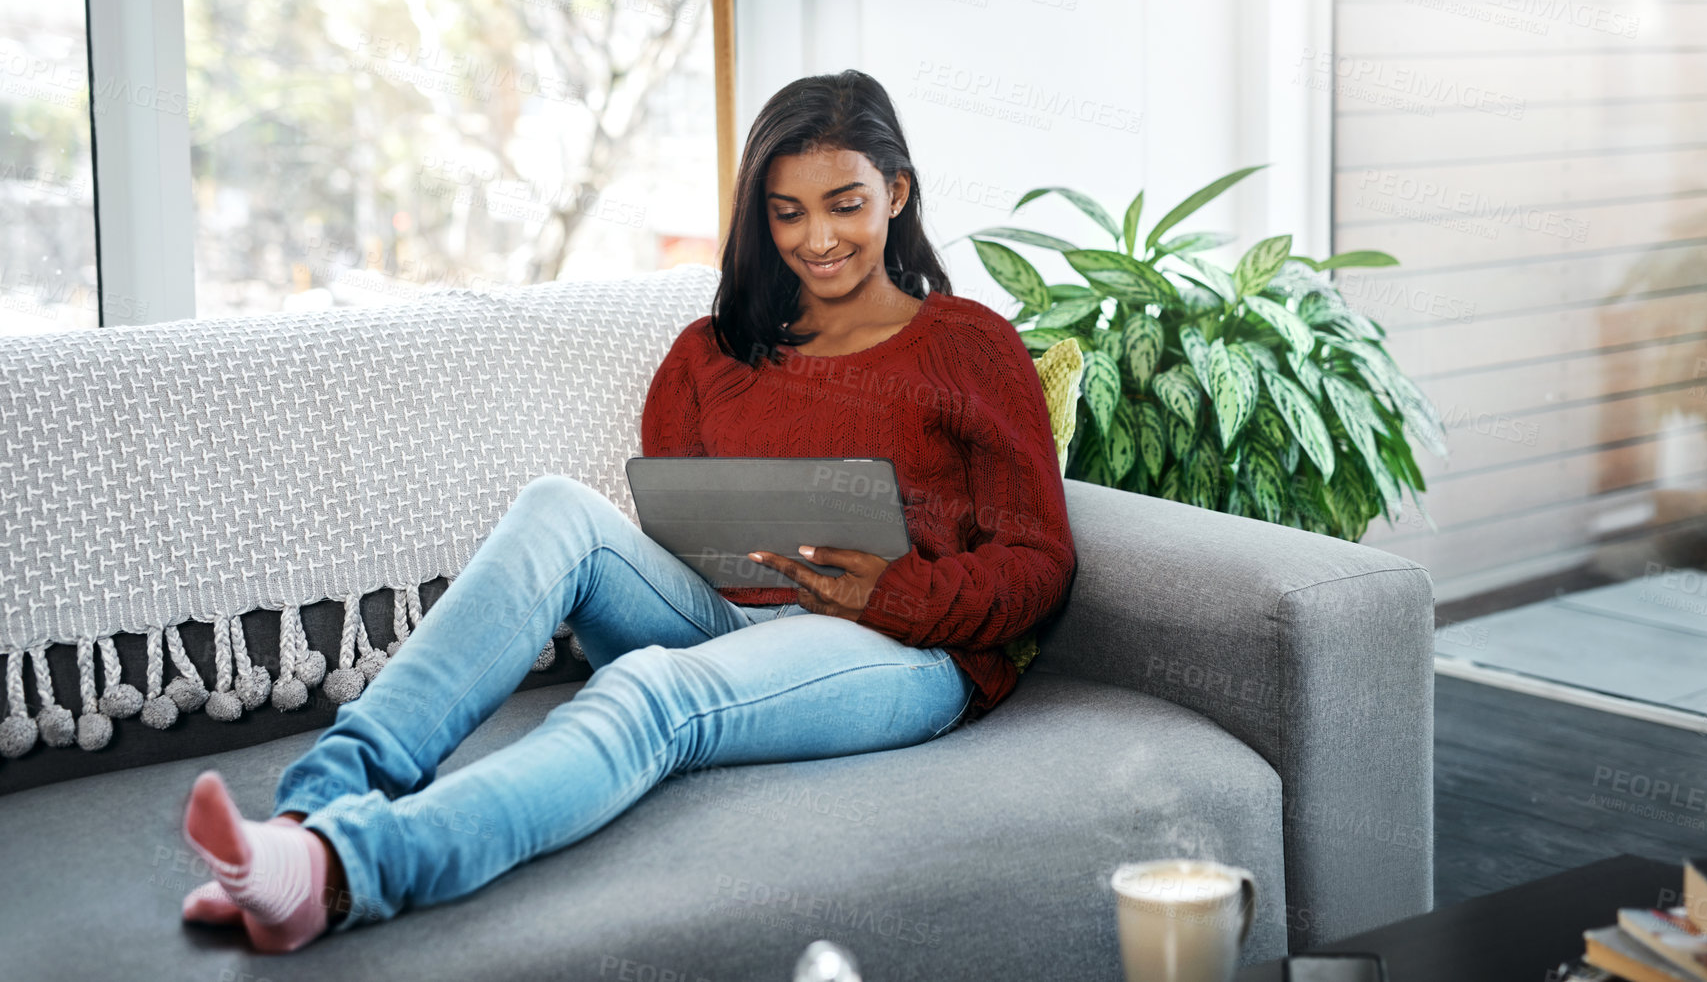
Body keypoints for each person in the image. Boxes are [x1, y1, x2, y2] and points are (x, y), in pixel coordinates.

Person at [177, 68, 1077, 953]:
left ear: (897, 193)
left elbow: (1040, 562)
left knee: (649, 688)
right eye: (788, 211)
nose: (818, 239)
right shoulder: (712, 352)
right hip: (729, 620)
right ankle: (310, 810)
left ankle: (342, 873)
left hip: (900, 650)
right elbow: (681, 528)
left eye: (845, 204)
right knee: (555, 507)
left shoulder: (970, 346)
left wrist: (896, 592)